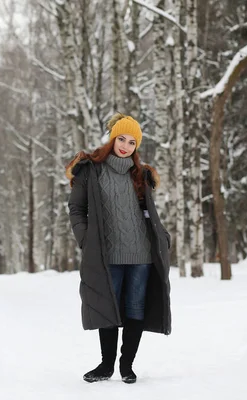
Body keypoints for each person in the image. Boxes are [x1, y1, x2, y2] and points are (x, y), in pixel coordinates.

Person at [65, 113, 172, 384]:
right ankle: (105, 365)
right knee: (107, 306)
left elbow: (150, 214)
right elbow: (77, 208)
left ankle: (127, 366)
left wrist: (162, 236)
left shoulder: (141, 175)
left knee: (135, 307)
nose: (125, 146)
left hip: (141, 254)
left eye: (132, 142)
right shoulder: (90, 170)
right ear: (112, 138)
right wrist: (85, 238)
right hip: (106, 254)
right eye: (121, 139)